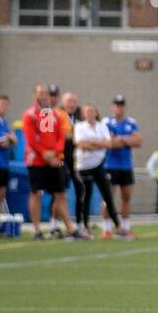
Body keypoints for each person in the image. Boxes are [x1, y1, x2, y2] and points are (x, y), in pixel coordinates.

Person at [22, 84, 85, 240]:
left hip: (54, 161)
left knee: (60, 193)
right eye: (41, 93)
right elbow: (31, 138)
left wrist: (55, 154)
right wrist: (45, 154)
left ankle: (70, 228)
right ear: (35, 95)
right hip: (36, 161)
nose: (44, 95)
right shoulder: (30, 114)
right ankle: (36, 230)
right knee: (36, 193)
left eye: (46, 93)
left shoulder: (52, 114)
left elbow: (59, 136)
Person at [73, 104, 124, 237]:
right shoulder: (80, 126)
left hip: (99, 165)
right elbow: (81, 144)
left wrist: (92, 144)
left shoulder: (102, 126)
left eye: (92, 111)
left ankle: (119, 228)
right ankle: (85, 227)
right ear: (84, 114)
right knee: (86, 197)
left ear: (96, 112)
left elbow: (109, 144)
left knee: (107, 195)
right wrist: (99, 144)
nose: (90, 114)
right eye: (87, 111)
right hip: (84, 167)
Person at [103, 95, 141, 239]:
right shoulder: (106, 122)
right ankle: (107, 228)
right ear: (113, 107)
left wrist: (121, 139)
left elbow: (138, 140)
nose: (119, 108)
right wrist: (127, 140)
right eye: (117, 105)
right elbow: (108, 142)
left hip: (126, 165)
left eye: (121, 105)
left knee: (126, 197)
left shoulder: (130, 122)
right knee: (108, 198)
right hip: (110, 165)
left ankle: (125, 228)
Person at [55, 88, 84, 233]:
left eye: (74, 101)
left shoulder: (82, 116)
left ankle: (80, 223)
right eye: (69, 101)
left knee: (80, 189)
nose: (72, 104)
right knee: (59, 192)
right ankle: (54, 224)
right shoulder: (56, 114)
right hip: (62, 158)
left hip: (78, 160)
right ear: (63, 102)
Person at [0, 95, 15, 218]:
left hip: (4, 164)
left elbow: (14, 140)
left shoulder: (4, 122)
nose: (5, 107)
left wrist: (8, 139)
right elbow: (4, 141)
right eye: (2, 104)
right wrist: (7, 138)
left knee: (1, 195)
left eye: (6, 105)